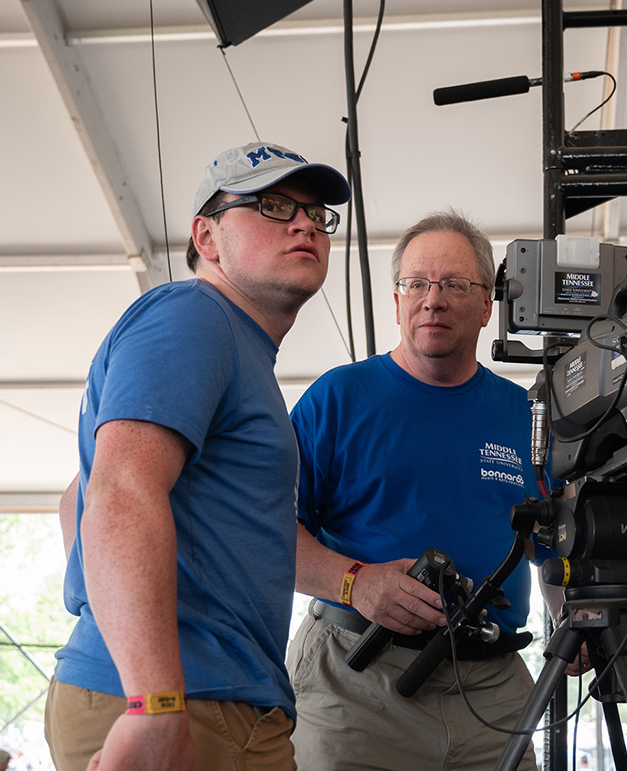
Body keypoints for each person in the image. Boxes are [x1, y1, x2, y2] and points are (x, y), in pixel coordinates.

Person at [46, 141, 349, 771]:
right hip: (180, 701)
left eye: (316, 214)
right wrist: (152, 698)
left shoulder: (230, 342)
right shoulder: (193, 317)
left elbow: (79, 496)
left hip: (216, 700)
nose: (304, 225)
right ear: (206, 237)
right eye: (272, 205)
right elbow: (119, 492)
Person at [287, 210, 581, 770]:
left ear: (487, 305)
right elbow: (269, 531)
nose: (433, 300)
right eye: (416, 283)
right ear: (396, 301)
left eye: (454, 285)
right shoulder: (337, 399)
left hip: (493, 687)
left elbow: (553, 541)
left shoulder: (527, 415)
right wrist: (355, 582)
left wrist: (573, 615)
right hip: (358, 680)